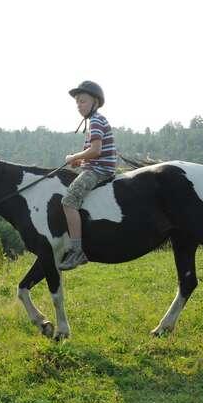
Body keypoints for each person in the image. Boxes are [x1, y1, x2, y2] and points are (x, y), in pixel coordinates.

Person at [59, 81, 117, 271]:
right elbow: (91, 154)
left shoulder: (95, 121)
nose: (79, 105)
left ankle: (77, 251)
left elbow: (96, 150)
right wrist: (79, 162)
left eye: (82, 101)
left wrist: (74, 156)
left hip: (99, 170)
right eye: (77, 102)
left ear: (95, 102)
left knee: (68, 201)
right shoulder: (95, 121)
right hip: (95, 167)